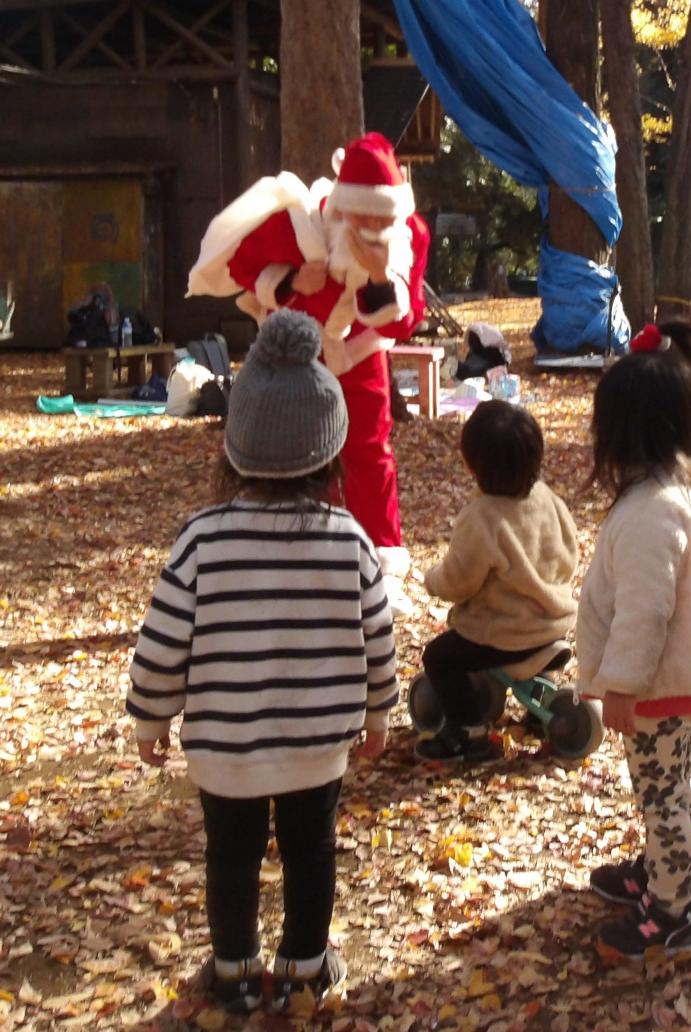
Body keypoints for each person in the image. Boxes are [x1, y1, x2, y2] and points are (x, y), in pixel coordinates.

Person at [126, 309, 397, 1014]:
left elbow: (163, 641)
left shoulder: (202, 540)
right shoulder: (349, 542)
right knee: (312, 851)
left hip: (225, 746)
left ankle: (236, 966)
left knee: (231, 855)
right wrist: (378, 714)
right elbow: (378, 636)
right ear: (332, 451)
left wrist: (149, 718)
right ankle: (307, 963)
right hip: (316, 744)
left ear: (233, 447)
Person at [187, 132, 430, 613]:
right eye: (363, 218)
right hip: (298, 358)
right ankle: (304, 561)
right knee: (297, 457)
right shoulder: (299, 223)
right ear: (342, 209)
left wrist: (380, 277)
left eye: (382, 220)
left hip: (362, 356)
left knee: (369, 455)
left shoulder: (409, 236)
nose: (372, 228)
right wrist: (291, 280)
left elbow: (406, 320)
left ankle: (379, 571)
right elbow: (242, 269)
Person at [577, 321, 691, 961]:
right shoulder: (678, 489)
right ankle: (657, 872)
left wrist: (622, 686)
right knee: (664, 784)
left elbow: (645, 610)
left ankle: (673, 912)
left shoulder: (650, 511)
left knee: (662, 793)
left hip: (658, 685)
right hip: (675, 679)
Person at [417, 400, 579, 763]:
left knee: (440, 657)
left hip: (504, 634)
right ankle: (540, 705)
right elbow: (569, 552)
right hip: (553, 622)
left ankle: (468, 733)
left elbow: (460, 581)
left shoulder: (482, 518)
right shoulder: (549, 500)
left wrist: (432, 580)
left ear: (473, 464)